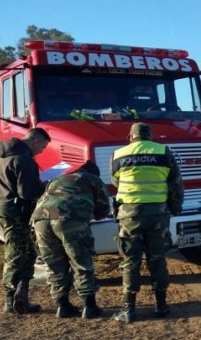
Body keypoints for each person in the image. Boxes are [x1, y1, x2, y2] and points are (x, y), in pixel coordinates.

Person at [110, 123, 184, 324]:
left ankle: (129, 310)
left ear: (131, 136)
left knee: (130, 261)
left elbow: (115, 181)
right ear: (150, 136)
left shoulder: (118, 154)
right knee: (157, 259)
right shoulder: (163, 151)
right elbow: (176, 183)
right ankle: (161, 307)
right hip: (158, 215)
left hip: (129, 215)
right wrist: (175, 207)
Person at [32, 161, 111, 319]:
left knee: (54, 263)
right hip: (69, 218)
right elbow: (103, 209)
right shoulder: (93, 179)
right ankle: (89, 307)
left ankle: (62, 306)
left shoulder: (58, 179)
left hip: (40, 219)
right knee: (80, 261)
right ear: (94, 173)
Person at [0, 128, 51, 314]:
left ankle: (20, 294)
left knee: (27, 253)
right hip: (16, 211)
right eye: (42, 147)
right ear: (35, 142)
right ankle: (11, 300)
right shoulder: (23, 159)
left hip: (2, 208)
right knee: (16, 255)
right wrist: (47, 187)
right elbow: (27, 192)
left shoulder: (1, 154)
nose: (41, 151)